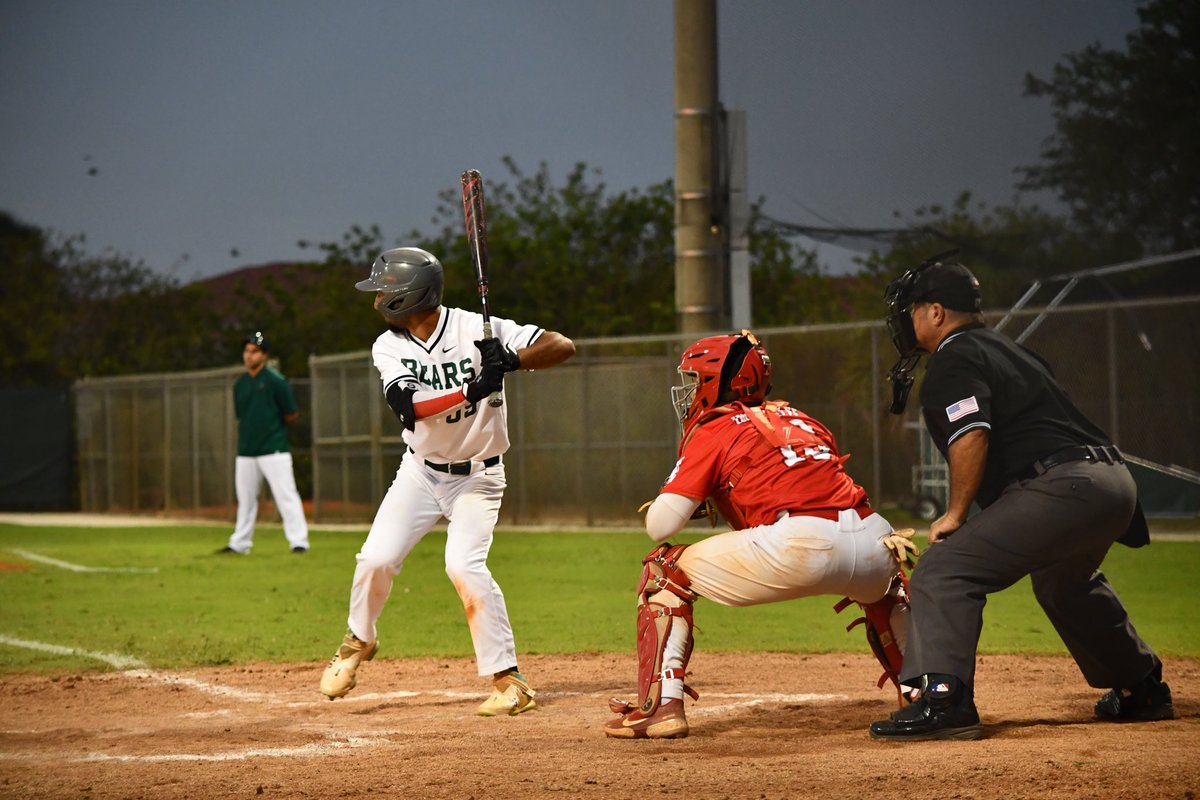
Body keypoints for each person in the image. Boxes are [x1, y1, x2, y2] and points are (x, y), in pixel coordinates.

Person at [869, 258, 1172, 741]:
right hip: (1112, 481)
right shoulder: (1010, 350)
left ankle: (945, 702)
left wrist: (955, 514)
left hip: (1063, 485)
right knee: (1063, 583)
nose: (906, 321)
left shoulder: (953, 355)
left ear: (936, 313)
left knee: (944, 570)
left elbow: (971, 433)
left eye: (911, 310)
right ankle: (1142, 687)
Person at [603, 330, 917, 740]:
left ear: (718, 382)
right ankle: (925, 694)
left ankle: (660, 708)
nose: (689, 390)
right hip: (875, 537)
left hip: (801, 544)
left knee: (663, 569)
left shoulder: (713, 426)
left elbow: (659, 526)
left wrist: (694, 495)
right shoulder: (801, 417)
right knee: (887, 587)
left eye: (695, 379)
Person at [319, 247, 575, 716]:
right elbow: (408, 407)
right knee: (376, 557)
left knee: (463, 565)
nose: (377, 300)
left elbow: (562, 345)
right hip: (421, 470)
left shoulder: (476, 328)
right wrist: (474, 387)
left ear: (406, 296)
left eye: (384, 292)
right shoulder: (389, 346)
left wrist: (514, 359)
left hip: (479, 476)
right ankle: (359, 640)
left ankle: (509, 681)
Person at [217, 331, 310, 555]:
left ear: (264, 355)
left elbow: (291, 414)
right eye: (247, 351)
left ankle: (299, 542)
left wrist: (272, 431)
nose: (249, 356)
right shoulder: (240, 385)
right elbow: (241, 416)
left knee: (286, 495)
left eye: (255, 351)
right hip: (247, 449)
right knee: (246, 500)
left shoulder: (276, 381)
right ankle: (240, 543)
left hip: (274, 448)